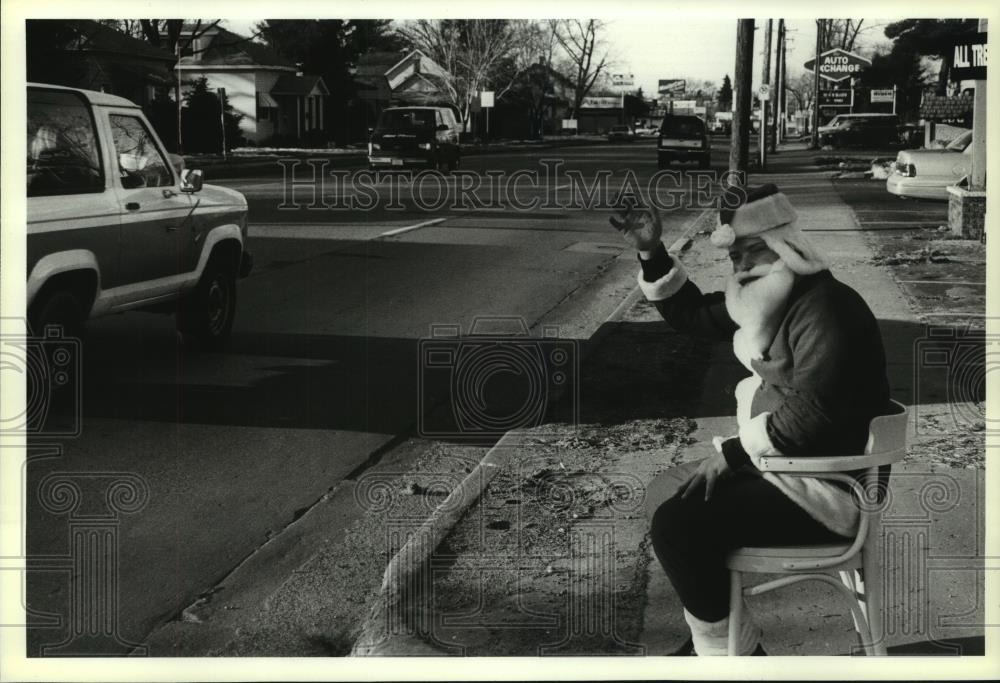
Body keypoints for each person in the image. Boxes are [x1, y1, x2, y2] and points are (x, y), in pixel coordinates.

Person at [610, 183, 893, 656]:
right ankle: (726, 636)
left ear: (787, 246)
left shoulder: (827, 307)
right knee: (665, 492)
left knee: (679, 526)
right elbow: (694, 316)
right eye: (736, 255)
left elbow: (817, 413)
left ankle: (726, 653)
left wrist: (733, 454)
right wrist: (651, 250)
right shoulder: (773, 295)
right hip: (787, 469)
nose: (742, 266)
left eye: (753, 251)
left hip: (828, 489)